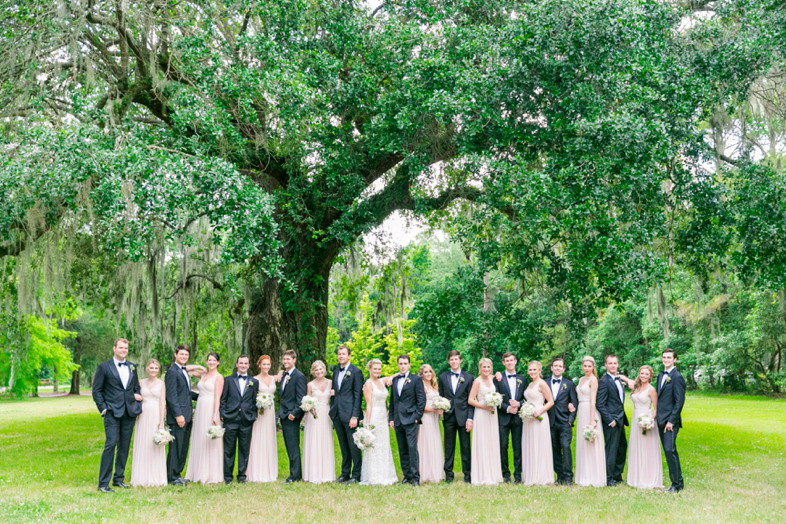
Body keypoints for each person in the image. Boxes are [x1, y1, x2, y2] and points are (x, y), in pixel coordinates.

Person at [92, 338, 143, 492]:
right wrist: (103, 408)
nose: (123, 350)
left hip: (129, 412)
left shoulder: (132, 367)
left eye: (126, 348)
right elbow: (97, 391)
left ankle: (118, 479)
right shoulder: (104, 367)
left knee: (124, 446)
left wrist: (136, 400)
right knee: (111, 444)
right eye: (121, 347)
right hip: (112, 412)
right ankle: (103, 483)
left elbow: (136, 388)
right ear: (114, 348)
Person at [185, 352, 224, 484]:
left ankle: (210, 473)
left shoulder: (219, 377)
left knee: (210, 439)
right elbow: (184, 369)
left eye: (214, 360)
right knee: (200, 437)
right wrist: (198, 366)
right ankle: (197, 471)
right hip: (200, 407)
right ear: (206, 362)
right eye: (209, 360)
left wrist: (215, 414)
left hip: (210, 407)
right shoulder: (203, 374)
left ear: (218, 362)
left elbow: (217, 397)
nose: (211, 362)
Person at [220, 354, 259, 484]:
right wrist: (223, 413)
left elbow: (254, 401)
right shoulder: (228, 380)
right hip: (230, 418)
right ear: (237, 364)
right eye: (241, 363)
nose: (243, 365)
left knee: (244, 449)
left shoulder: (254, 382)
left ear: (248, 365)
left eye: (245, 363)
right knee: (229, 449)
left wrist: (252, 415)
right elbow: (223, 399)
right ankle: (228, 476)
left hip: (246, 419)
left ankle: (241, 476)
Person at [360, 359, 399, 486]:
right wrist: (367, 424)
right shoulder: (368, 384)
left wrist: (401, 374)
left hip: (383, 417)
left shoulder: (381, 382)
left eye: (379, 369)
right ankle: (374, 476)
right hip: (374, 417)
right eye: (375, 369)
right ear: (369, 369)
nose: (377, 371)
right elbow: (369, 404)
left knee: (384, 444)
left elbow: (392, 376)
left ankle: (385, 474)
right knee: (374, 445)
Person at [437, 350, 474, 483]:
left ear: (460, 360)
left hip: (463, 417)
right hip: (448, 417)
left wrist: (470, 418)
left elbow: (471, 400)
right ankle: (449, 475)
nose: (454, 362)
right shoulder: (442, 377)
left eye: (456, 359)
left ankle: (467, 475)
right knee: (449, 447)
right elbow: (440, 396)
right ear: (448, 361)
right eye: (451, 359)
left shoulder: (469, 378)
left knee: (465, 447)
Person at [328, 345, 364, 484]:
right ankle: (345, 473)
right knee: (343, 446)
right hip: (337, 413)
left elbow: (357, 395)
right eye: (339, 354)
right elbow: (336, 391)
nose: (340, 356)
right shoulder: (336, 372)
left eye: (343, 354)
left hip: (350, 415)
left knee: (353, 446)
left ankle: (356, 475)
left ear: (349, 356)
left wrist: (355, 416)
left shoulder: (356, 372)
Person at [165, 344, 199, 486]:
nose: (184, 357)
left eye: (186, 355)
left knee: (183, 446)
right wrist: (178, 415)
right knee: (176, 447)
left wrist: (203, 396)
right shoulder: (172, 372)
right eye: (181, 354)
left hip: (187, 415)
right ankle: (172, 476)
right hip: (178, 417)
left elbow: (186, 393)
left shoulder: (183, 371)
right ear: (175, 355)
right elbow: (172, 396)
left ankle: (178, 473)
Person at [389, 354, 426, 486]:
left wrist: (416, 417)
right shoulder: (395, 380)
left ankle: (415, 477)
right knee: (402, 448)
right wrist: (391, 418)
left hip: (411, 419)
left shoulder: (416, 380)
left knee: (412, 448)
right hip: (398, 420)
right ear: (398, 365)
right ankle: (407, 476)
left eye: (405, 363)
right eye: (401, 363)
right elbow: (393, 401)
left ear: (409, 365)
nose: (403, 366)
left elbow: (421, 400)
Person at [130, 358, 167, 487]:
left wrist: (161, 421)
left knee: (155, 444)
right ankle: (141, 476)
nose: (153, 370)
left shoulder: (162, 384)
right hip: (143, 415)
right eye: (151, 368)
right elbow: (131, 393)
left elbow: (162, 403)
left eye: (156, 368)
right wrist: (135, 396)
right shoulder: (141, 382)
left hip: (156, 414)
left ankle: (156, 476)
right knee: (143, 442)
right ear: (147, 369)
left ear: (159, 370)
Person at [625, 365, 663, 489]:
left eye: (646, 374)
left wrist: (649, 421)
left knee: (647, 449)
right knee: (636, 447)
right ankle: (636, 477)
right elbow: (628, 381)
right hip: (636, 418)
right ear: (639, 374)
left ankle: (648, 477)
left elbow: (656, 409)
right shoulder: (636, 386)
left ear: (650, 376)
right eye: (642, 373)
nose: (644, 376)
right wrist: (621, 376)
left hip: (646, 420)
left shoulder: (651, 390)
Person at [468, 357, 503, 485]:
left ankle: (493, 473)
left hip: (492, 415)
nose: (486, 369)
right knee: (483, 442)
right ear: (480, 368)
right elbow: (471, 400)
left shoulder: (492, 378)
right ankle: (482, 474)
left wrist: (499, 373)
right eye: (484, 367)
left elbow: (499, 376)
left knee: (492, 441)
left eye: (488, 367)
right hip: (482, 414)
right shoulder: (477, 382)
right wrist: (484, 406)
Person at [493, 352, 526, 483]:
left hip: (518, 418)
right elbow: (494, 398)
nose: (509, 363)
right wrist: (507, 408)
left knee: (518, 447)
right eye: (507, 361)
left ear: (515, 361)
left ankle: (518, 475)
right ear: (503, 363)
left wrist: (519, 404)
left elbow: (526, 398)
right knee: (503, 446)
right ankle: (505, 474)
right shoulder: (497, 379)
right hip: (503, 418)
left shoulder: (522, 379)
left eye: (511, 360)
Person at [521, 360, 555, 485]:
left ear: (539, 371)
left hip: (539, 417)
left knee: (539, 444)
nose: (532, 372)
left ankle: (541, 476)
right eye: (530, 370)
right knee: (530, 444)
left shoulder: (542, 384)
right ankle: (531, 474)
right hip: (529, 419)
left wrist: (539, 411)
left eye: (534, 369)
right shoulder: (530, 384)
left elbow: (551, 401)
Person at [597, 354, 628, 486]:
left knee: (622, 447)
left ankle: (617, 474)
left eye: (615, 363)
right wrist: (610, 420)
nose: (613, 365)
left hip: (620, 419)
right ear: (605, 365)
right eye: (610, 363)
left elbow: (619, 402)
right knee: (611, 449)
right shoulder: (604, 381)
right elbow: (600, 404)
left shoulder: (618, 380)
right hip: (612, 421)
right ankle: (609, 478)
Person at [302, 360, 336, 484]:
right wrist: (308, 408)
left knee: (325, 440)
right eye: (316, 370)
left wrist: (335, 393)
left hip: (326, 414)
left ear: (324, 370)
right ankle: (313, 473)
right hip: (313, 415)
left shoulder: (331, 383)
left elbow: (337, 398)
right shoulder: (310, 385)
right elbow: (307, 400)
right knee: (314, 440)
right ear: (313, 372)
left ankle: (326, 473)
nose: (319, 372)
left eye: (321, 369)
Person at [575, 355, 606, 487]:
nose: (587, 368)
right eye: (585, 366)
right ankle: (583, 474)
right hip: (581, 409)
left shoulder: (593, 380)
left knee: (591, 443)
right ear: (582, 366)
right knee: (583, 442)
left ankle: (594, 476)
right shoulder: (581, 379)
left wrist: (592, 419)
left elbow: (593, 400)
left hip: (589, 410)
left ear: (593, 367)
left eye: (589, 366)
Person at [657, 349, 686, 492]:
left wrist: (671, 421)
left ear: (675, 360)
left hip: (670, 422)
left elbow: (679, 402)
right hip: (660, 420)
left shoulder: (677, 377)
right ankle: (678, 482)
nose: (666, 360)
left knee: (670, 450)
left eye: (669, 357)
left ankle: (677, 484)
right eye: (664, 357)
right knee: (668, 451)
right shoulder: (660, 376)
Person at [246, 355, 278, 482]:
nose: (266, 367)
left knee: (269, 438)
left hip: (270, 413)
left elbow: (281, 373)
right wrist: (258, 404)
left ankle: (269, 470)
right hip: (259, 412)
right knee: (258, 438)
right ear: (259, 365)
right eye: (263, 364)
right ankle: (256, 470)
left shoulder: (273, 378)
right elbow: (250, 397)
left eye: (268, 364)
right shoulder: (254, 379)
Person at [547, 357, 578, 485]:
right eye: (555, 366)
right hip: (550, 421)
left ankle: (568, 476)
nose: (558, 368)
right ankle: (559, 476)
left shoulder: (569, 384)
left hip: (565, 421)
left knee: (566, 448)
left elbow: (574, 403)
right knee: (555, 450)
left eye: (560, 366)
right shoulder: (545, 383)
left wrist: (571, 420)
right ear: (551, 368)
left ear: (563, 369)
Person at [279, 349, 307, 483]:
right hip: (284, 416)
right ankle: (295, 473)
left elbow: (301, 398)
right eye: (284, 359)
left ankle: (295, 476)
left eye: (288, 359)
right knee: (289, 446)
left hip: (291, 416)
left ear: (294, 360)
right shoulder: (285, 375)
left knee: (293, 446)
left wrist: (294, 414)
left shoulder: (299, 376)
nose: (285, 361)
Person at [417, 364, 445, 483]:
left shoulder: (434, 387)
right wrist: (435, 410)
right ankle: (425, 473)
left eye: (429, 372)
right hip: (426, 418)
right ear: (421, 375)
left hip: (434, 419)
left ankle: (435, 471)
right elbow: (421, 406)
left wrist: (441, 408)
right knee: (426, 442)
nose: (428, 374)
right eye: (425, 372)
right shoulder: (422, 387)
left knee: (434, 441)